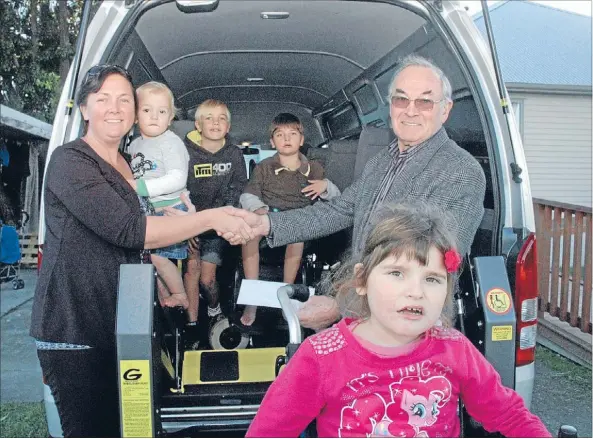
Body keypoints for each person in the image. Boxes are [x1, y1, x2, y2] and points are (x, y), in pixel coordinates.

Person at [29, 65, 256, 438]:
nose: (114, 108)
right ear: (84, 108)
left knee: (131, 427)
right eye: (102, 99)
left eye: (123, 100)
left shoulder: (125, 163)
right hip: (76, 327)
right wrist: (210, 218)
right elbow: (132, 231)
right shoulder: (71, 161)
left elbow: (146, 218)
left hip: (124, 324)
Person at [228, 54, 487, 331]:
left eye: (424, 101)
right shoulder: (381, 161)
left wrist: (340, 306)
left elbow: (424, 272)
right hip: (364, 309)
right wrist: (265, 224)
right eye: (401, 99)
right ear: (391, 107)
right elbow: (339, 209)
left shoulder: (460, 171)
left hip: (407, 330)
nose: (410, 110)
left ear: (445, 109)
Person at [245, 203, 551, 438]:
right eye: (396, 274)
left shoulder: (455, 349)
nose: (415, 292)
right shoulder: (320, 357)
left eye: (432, 279)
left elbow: (508, 415)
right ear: (362, 280)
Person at [239, 113, 340, 326]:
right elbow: (248, 194)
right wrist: (258, 209)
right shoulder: (264, 167)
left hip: (300, 221)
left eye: (292, 134)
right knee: (249, 236)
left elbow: (339, 200)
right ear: (272, 141)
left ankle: (288, 295)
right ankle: (253, 300)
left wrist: (326, 187)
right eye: (280, 135)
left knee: (297, 236)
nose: (287, 139)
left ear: (301, 140)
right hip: (269, 218)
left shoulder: (314, 168)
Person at [183, 99, 248, 332]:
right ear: (198, 126)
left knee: (206, 279)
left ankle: (213, 308)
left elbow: (239, 186)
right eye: (209, 118)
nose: (215, 123)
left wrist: (226, 215)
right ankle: (191, 323)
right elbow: (179, 188)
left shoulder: (233, 155)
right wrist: (187, 225)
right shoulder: (185, 153)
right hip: (190, 222)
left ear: (228, 127)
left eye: (222, 118)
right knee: (192, 269)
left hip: (218, 226)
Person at [127, 81, 190, 309]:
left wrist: (140, 188)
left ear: (170, 117)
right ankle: (165, 296)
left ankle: (180, 294)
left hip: (171, 208)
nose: (154, 116)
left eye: (161, 111)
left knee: (158, 257)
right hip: (149, 211)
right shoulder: (134, 146)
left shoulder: (171, 143)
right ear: (134, 115)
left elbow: (177, 178)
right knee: (148, 259)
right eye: (146, 110)